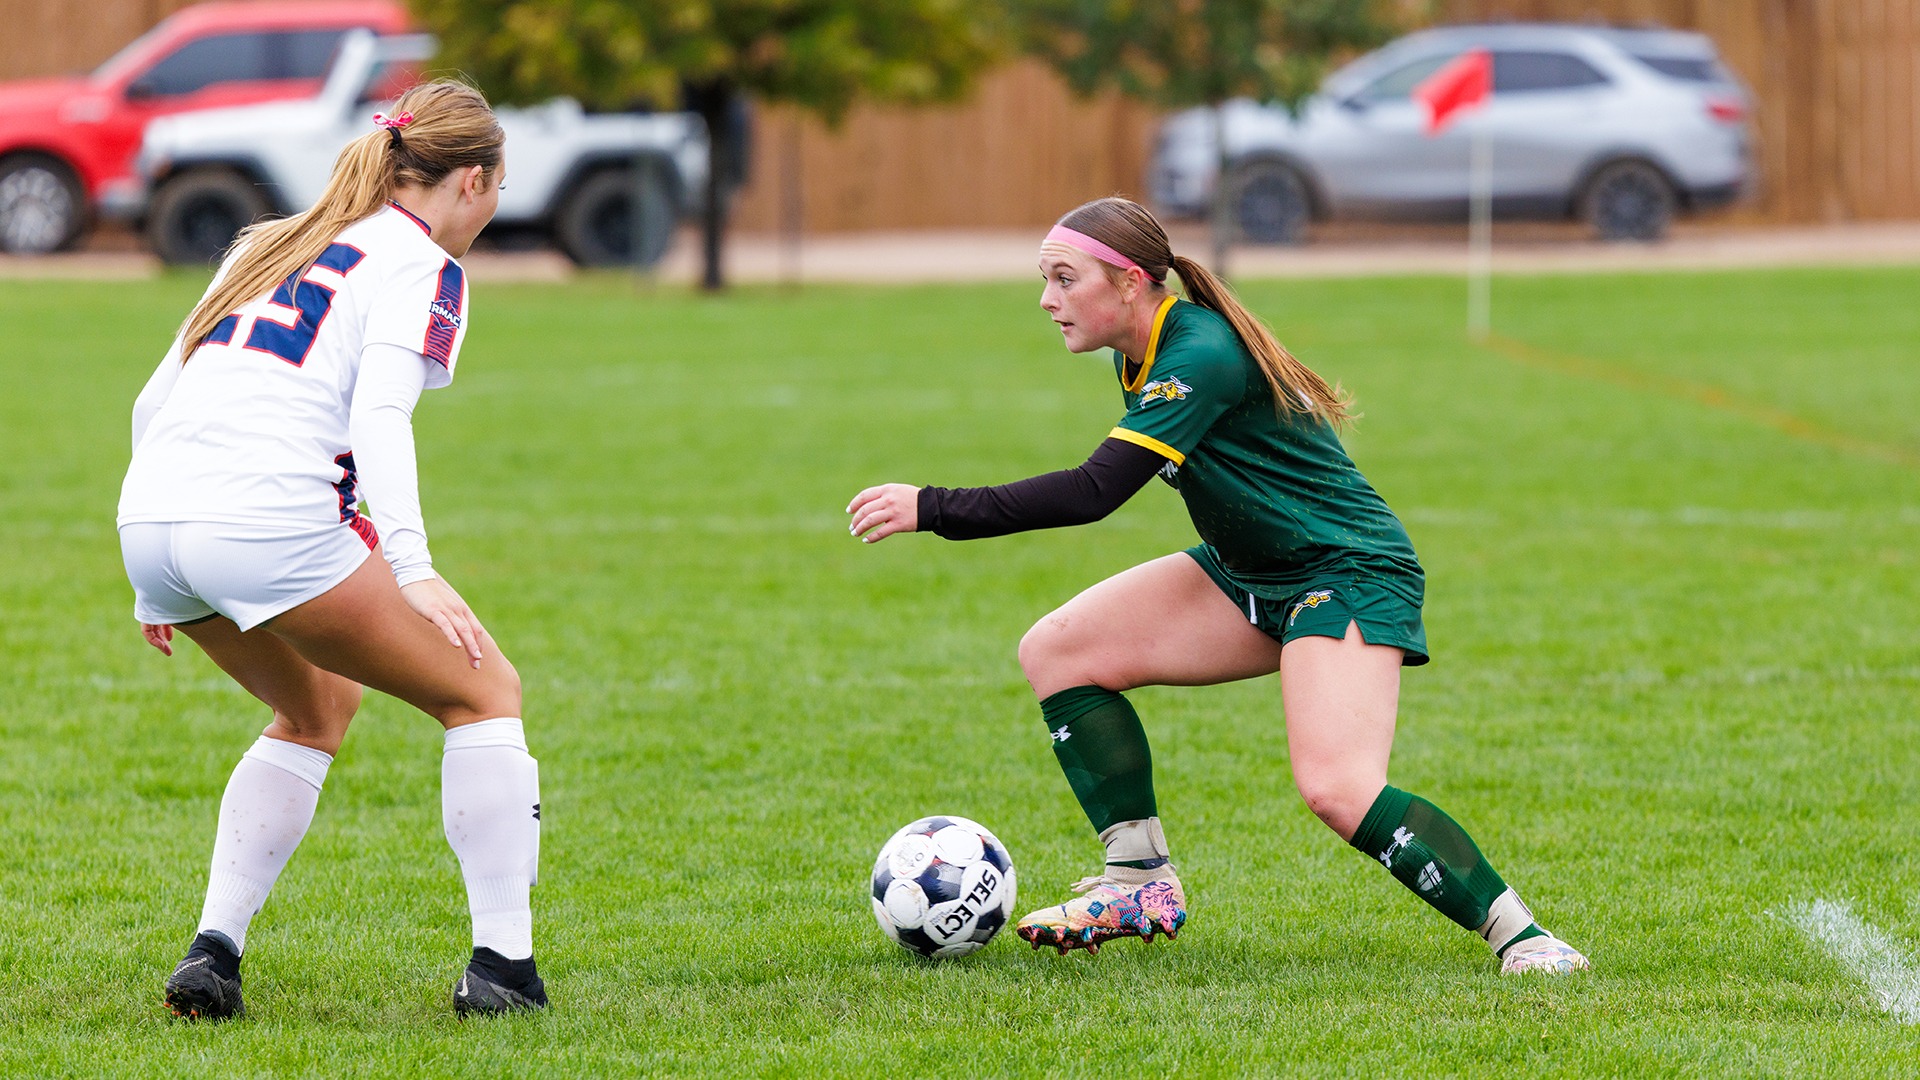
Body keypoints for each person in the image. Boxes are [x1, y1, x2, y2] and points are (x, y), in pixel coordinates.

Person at [847, 197, 1587, 974]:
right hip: (1251, 569)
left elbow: (1092, 492)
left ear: (1130, 282)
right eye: (1046, 280)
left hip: (1345, 572)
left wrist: (931, 507)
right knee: (1060, 651)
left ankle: (1523, 937)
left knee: (1337, 786)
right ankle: (1138, 881)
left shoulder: (1199, 353)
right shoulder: (1135, 352)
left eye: (1065, 280)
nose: (1047, 300)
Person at [118, 81, 547, 1019]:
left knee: (316, 710)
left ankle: (213, 953)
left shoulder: (268, 239)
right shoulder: (425, 263)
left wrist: (156, 580)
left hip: (149, 523)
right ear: (470, 180)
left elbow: (154, 401)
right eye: (499, 187)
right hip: (264, 526)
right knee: (483, 691)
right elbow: (379, 414)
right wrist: (414, 566)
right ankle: (504, 972)